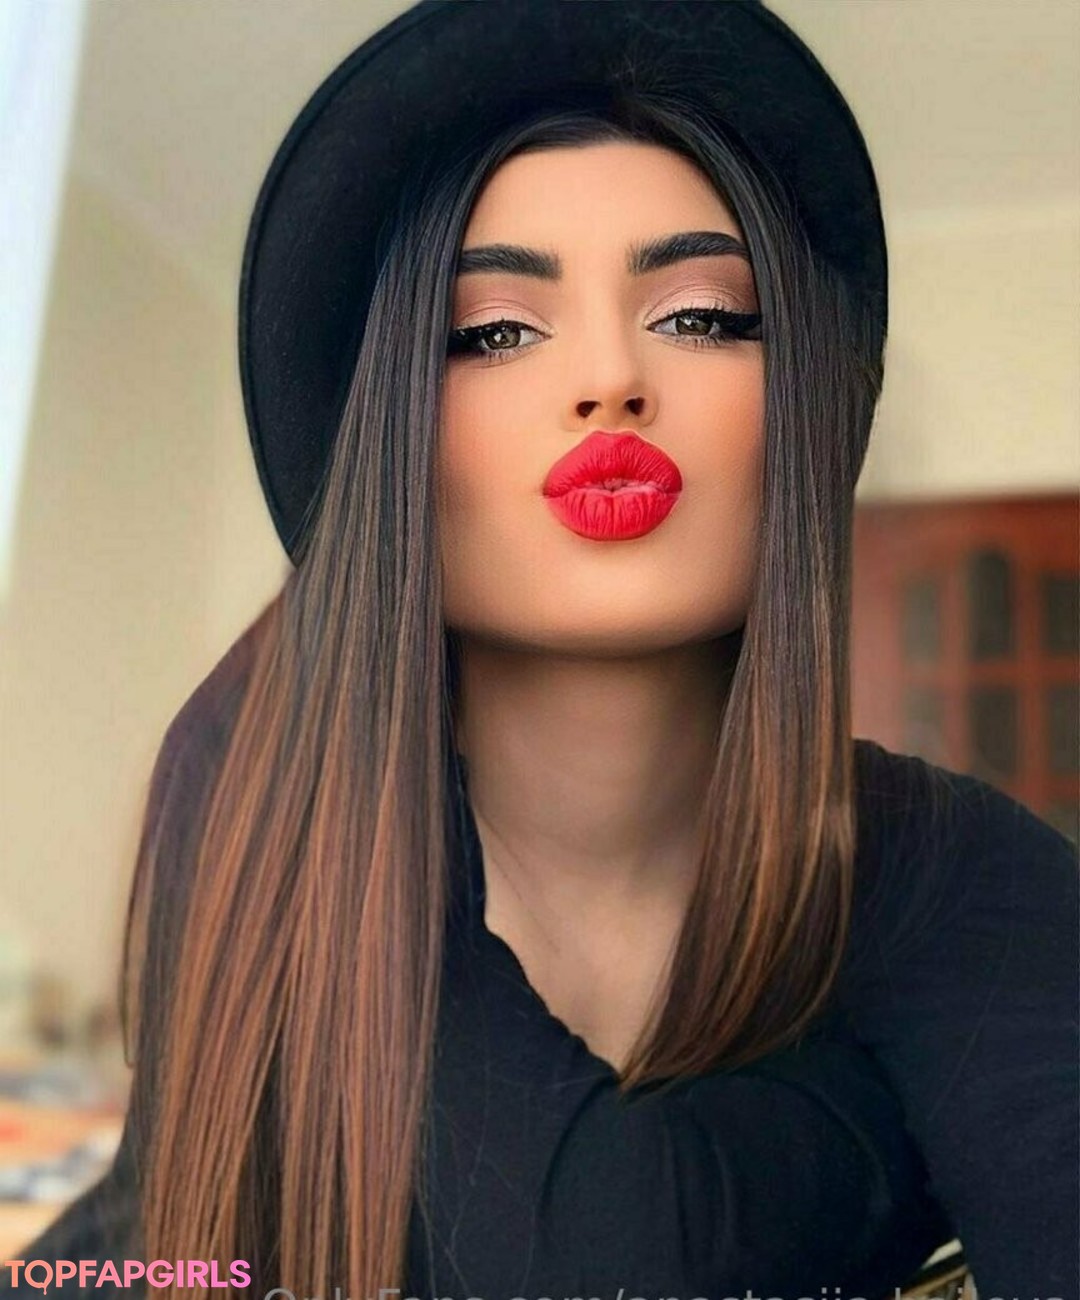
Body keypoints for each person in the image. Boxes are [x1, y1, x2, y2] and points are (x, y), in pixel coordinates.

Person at [3, 2, 1077, 1298]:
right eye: (493, 332)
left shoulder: (961, 873)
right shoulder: (268, 815)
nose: (610, 378)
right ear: (389, 456)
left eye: (702, 315)